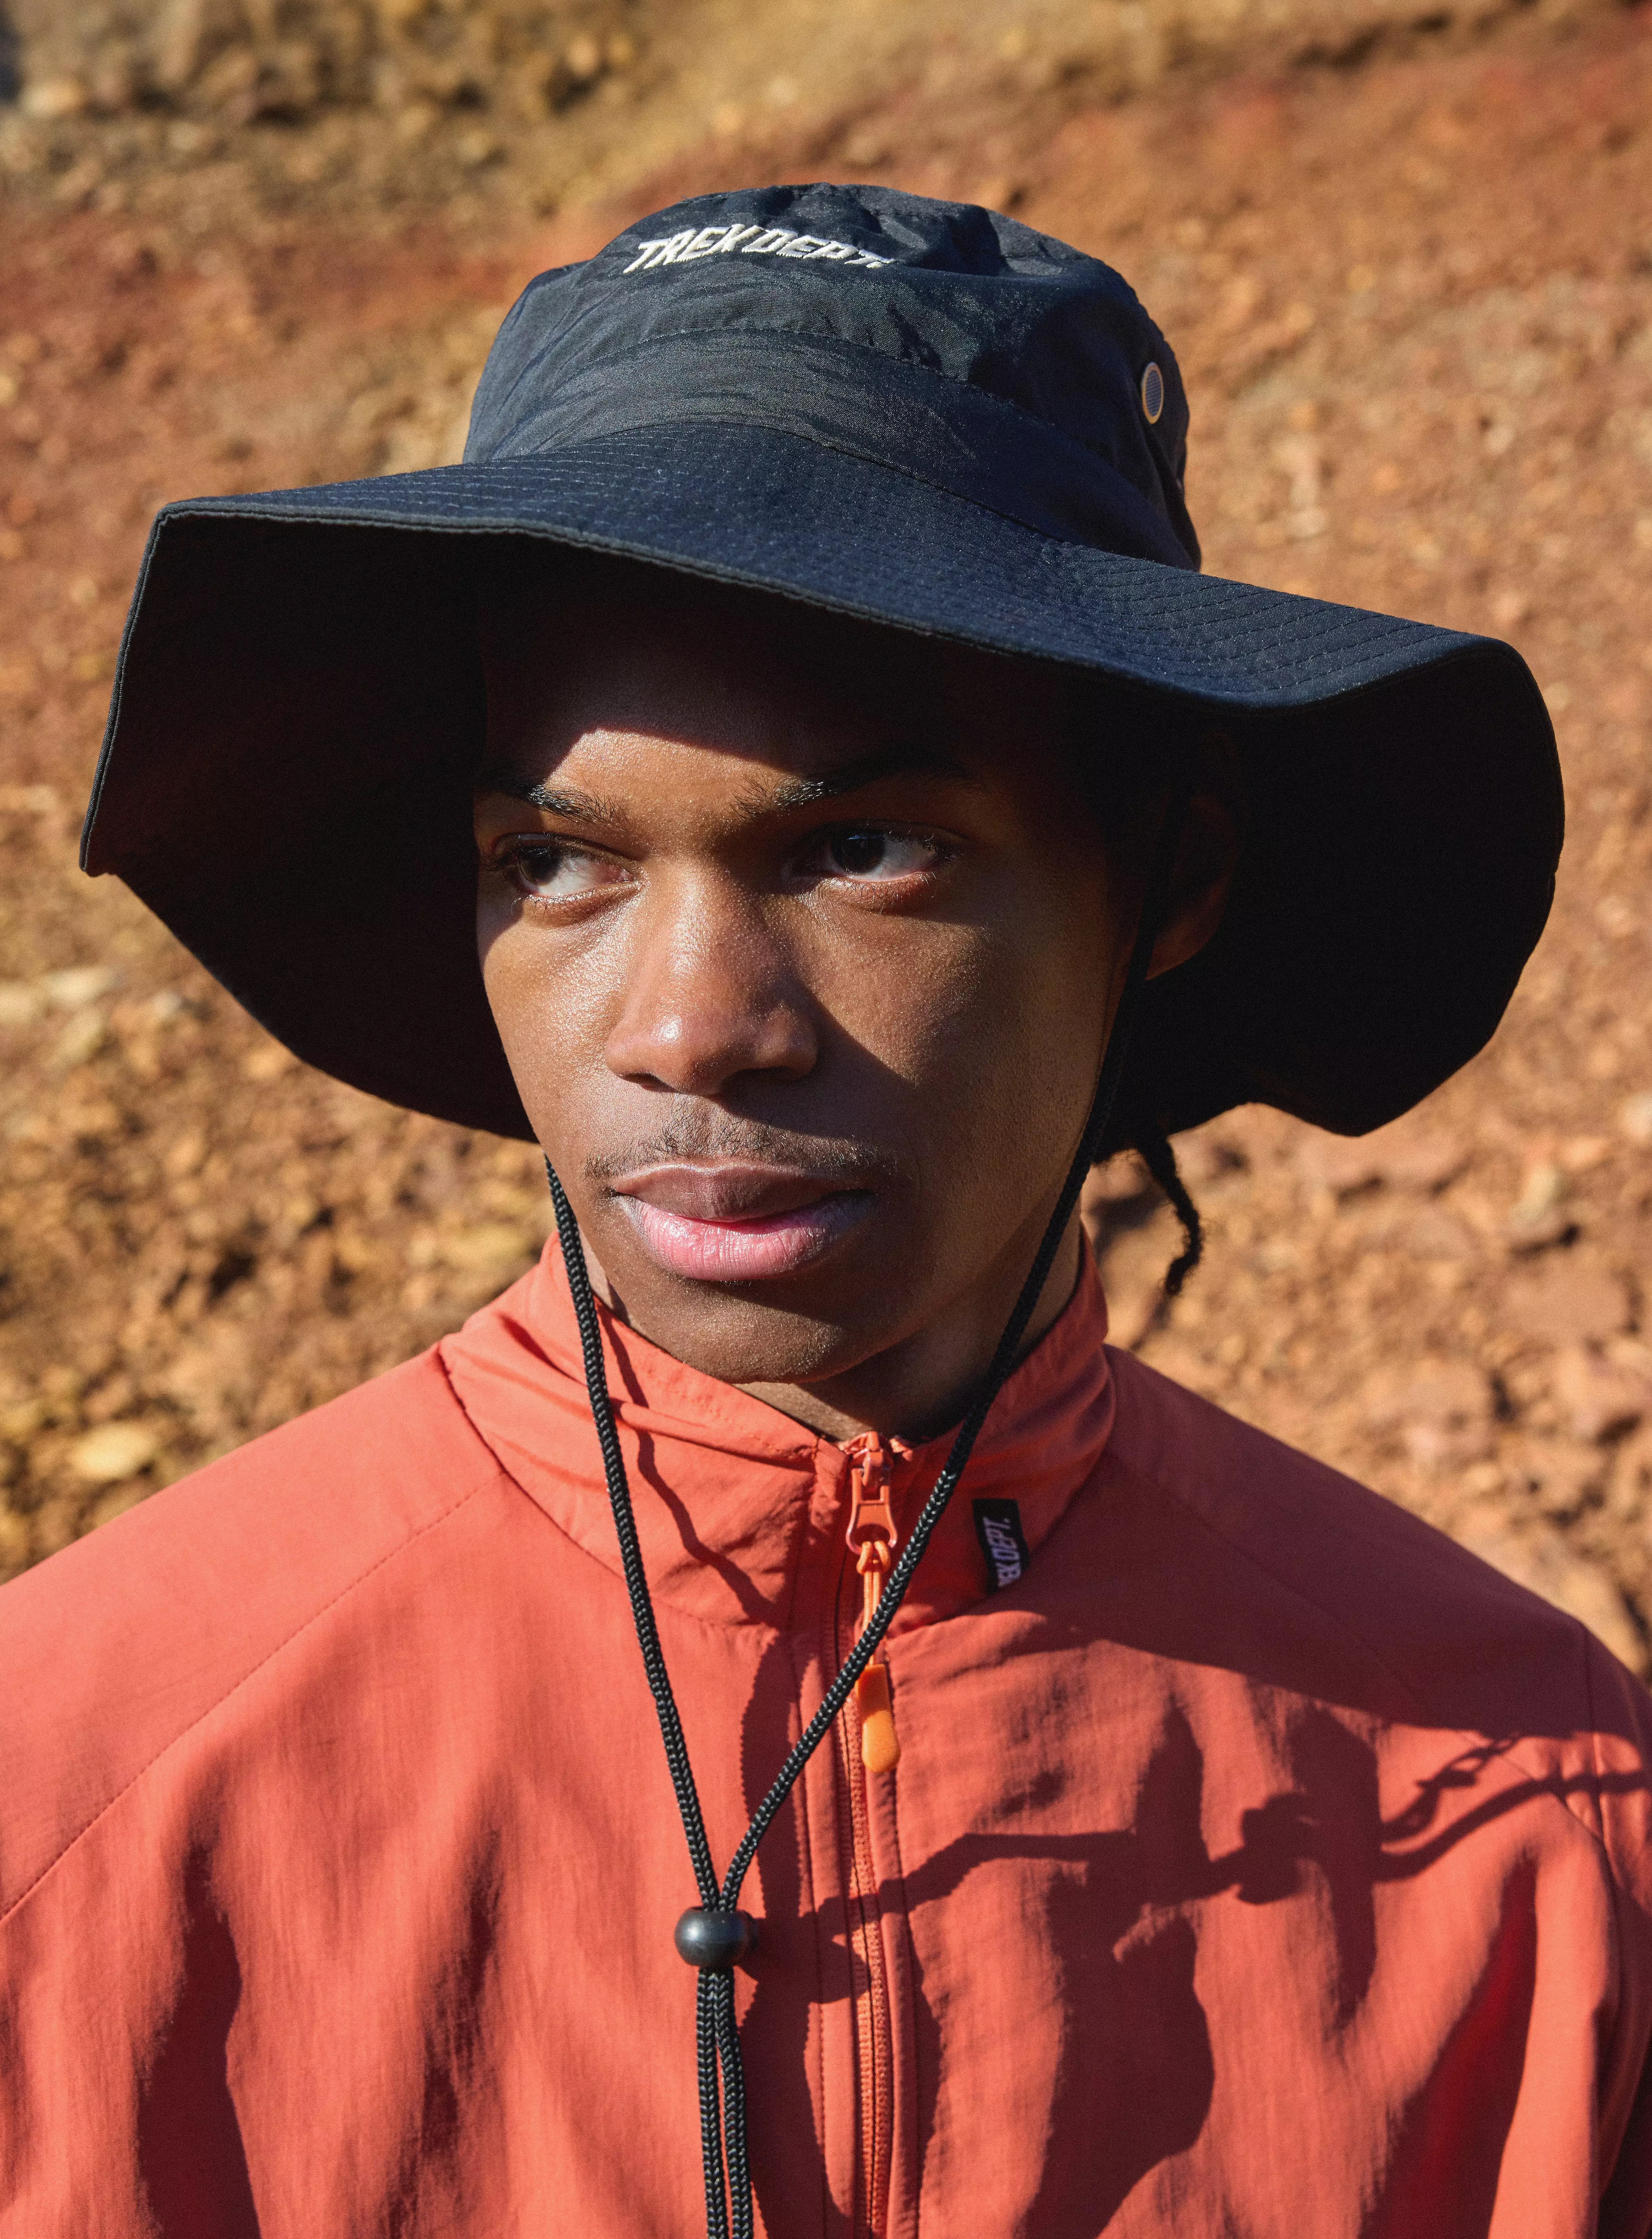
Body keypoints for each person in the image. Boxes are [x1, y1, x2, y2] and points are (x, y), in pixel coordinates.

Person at [2, 183, 1646, 2239]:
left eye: (863, 847)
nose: (691, 1027)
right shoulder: (77, 1799)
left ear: (1169, 875)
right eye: (560, 863)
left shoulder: (1542, 1836)